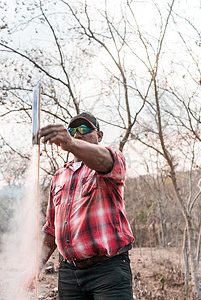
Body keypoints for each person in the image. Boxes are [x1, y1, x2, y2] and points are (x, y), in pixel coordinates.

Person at [29, 112, 135, 299]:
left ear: (99, 136)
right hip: (69, 273)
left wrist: (70, 144)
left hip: (108, 271)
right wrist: (36, 266)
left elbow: (104, 161)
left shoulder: (110, 160)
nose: (77, 134)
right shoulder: (59, 176)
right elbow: (52, 228)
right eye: (72, 131)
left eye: (84, 129)